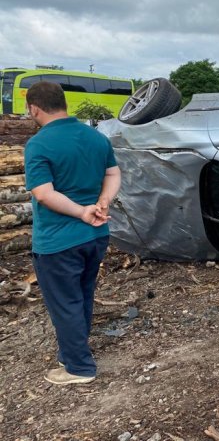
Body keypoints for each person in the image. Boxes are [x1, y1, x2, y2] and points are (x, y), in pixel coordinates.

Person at [23, 81, 121, 385]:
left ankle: (79, 367)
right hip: (96, 235)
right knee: (81, 294)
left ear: (34, 108)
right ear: (63, 104)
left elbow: (43, 193)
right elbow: (114, 174)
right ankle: (72, 351)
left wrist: (80, 211)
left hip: (58, 241)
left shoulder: (38, 144)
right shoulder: (95, 137)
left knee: (65, 302)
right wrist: (102, 202)